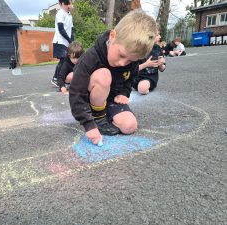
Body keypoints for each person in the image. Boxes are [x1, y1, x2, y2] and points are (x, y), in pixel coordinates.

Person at [69, 10, 158, 145]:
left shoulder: (131, 59)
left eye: (130, 60)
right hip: (90, 100)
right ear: (112, 36)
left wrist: (124, 92)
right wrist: (88, 124)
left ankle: (105, 114)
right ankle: (98, 117)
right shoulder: (90, 58)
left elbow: (132, 76)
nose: (123, 63)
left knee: (129, 126)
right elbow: (76, 91)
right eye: (121, 55)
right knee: (103, 75)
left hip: (110, 100)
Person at [50, 0, 74, 87]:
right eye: (66, 4)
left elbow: (71, 30)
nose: (69, 5)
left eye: (70, 3)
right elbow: (61, 29)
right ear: (60, 4)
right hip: (59, 41)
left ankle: (62, 78)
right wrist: (69, 40)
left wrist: (73, 41)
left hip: (66, 42)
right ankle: (55, 78)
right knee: (63, 60)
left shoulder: (69, 14)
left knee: (67, 60)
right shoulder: (60, 13)